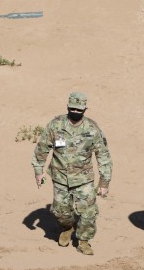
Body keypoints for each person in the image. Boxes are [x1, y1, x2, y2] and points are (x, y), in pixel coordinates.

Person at [31, 92, 112, 255]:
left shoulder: (92, 128)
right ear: (68, 107)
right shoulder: (56, 125)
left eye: (79, 109)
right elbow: (42, 149)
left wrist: (104, 182)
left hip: (84, 179)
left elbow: (103, 155)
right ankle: (67, 228)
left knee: (88, 212)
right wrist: (38, 171)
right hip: (60, 178)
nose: (75, 111)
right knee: (60, 212)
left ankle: (83, 241)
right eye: (73, 108)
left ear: (85, 109)